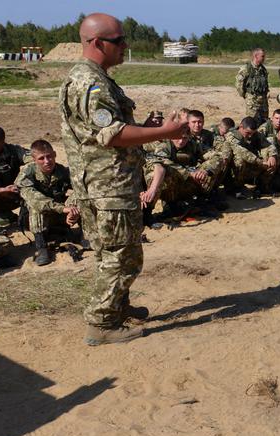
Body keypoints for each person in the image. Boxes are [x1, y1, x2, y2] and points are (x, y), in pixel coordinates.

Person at [59, 12, 187, 345]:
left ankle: (117, 308)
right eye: (119, 41)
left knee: (110, 252)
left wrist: (145, 126)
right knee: (122, 255)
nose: (125, 46)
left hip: (101, 183)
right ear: (97, 43)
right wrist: (164, 131)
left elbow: (103, 131)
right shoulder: (90, 81)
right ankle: (102, 325)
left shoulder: (95, 77)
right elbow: (112, 135)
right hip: (108, 186)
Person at [16, 139, 80, 266]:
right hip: (34, 219)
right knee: (35, 205)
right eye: (41, 158)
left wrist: (73, 208)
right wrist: (63, 209)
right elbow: (36, 200)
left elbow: (82, 189)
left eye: (49, 156)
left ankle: (84, 236)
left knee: (82, 195)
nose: (47, 161)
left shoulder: (63, 171)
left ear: (55, 154)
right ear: (34, 160)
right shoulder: (27, 174)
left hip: (61, 216)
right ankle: (41, 247)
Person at [225, 116, 277, 197]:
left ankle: (261, 186)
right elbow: (242, 152)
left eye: (252, 134)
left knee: (272, 157)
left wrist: (272, 156)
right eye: (248, 133)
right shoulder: (231, 136)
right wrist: (260, 162)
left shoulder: (255, 134)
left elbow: (269, 145)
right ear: (241, 127)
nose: (250, 136)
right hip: (234, 169)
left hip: (251, 165)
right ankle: (236, 187)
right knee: (239, 160)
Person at [235, 47, 269, 125]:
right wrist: (246, 95)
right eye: (262, 56)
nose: (264, 58)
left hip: (263, 101)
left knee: (264, 122)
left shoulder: (263, 70)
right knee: (252, 122)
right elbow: (239, 84)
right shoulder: (246, 69)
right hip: (252, 100)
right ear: (256, 56)